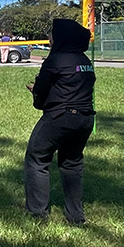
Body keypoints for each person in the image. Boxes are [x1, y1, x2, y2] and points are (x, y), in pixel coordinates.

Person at [24, 19, 95, 225]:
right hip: (85, 119)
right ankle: (75, 216)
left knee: (37, 158)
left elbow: (41, 93)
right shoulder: (85, 61)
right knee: (72, 163)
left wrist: (36, 92)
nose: (49, 38)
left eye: (52, 35)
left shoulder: (55, 60)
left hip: (60, 117)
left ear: (62, 37)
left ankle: (37, 214)